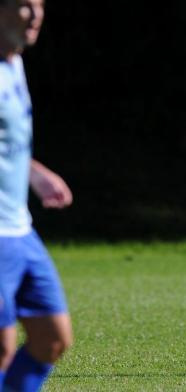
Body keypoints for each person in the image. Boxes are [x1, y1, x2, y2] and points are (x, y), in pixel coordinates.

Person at [0, 0, 73, 390]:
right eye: (24, 5)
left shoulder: (14, 63)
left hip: (21, 230)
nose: (36, 14)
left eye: (41, 5)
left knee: (52, 338)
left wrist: (36, 174)